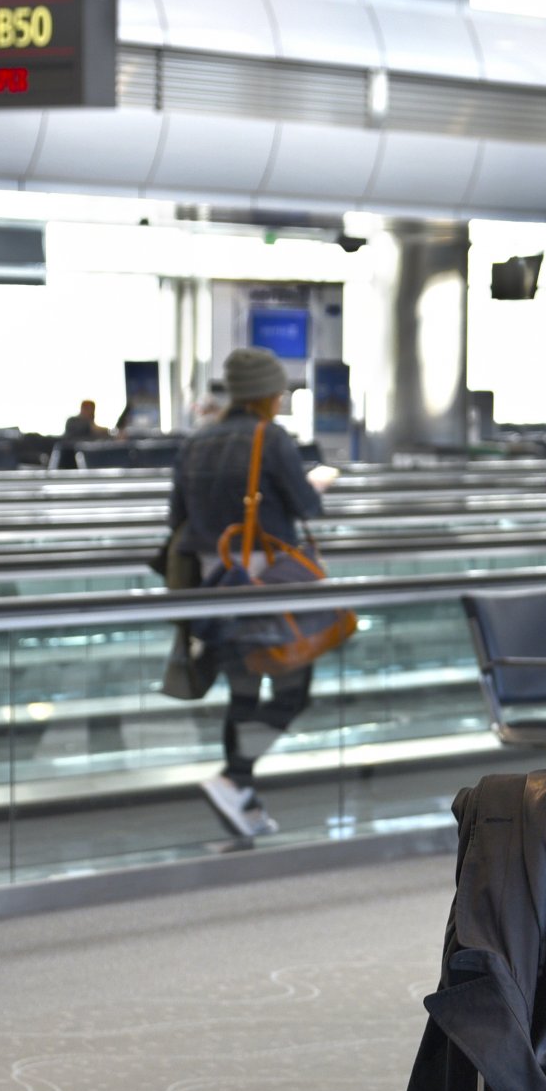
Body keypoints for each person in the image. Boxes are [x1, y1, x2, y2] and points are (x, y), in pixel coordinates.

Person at [170, 347, 338, 843]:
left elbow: (174, 519)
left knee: (242, 692)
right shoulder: (271, 438)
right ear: (265, 396)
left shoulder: (196, 442)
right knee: (292, 690)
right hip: (269, 587)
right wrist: (318, 483)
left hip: (213, 587)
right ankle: (235, 777)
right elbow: (305, 504)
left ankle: (241, 794)